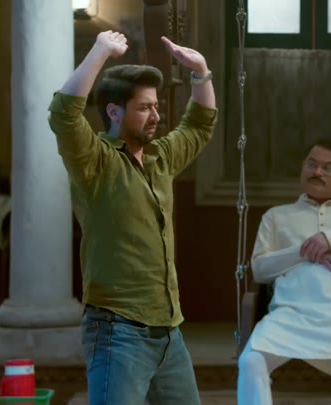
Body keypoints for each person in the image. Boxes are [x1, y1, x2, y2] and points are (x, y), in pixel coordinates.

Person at [47, 31, 217, 404]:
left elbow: (199, 125)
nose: (156, 115)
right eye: (144, 108)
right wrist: (100, 50)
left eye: (155, 106)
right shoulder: (96, 161)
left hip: (168, 330)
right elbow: (63, 115)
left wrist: (201, 71)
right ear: (114, 111)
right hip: (118, 330)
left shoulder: (160, 157)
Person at [238, 139, 331, 405]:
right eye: (311, 164)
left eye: (327, 167)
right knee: (251, 361)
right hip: (292, 313)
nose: (317, 172)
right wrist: (306, 249)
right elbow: (260, 270)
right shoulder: (277, 216)